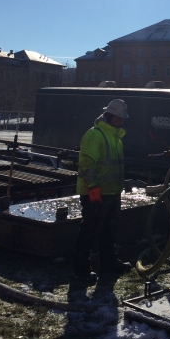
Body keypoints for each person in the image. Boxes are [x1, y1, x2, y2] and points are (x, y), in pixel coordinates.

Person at [73, 99, 131, 282]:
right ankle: (81, 269)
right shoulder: (95, 135)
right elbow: (86, 164)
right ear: (109, 116)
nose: (122, 122)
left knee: (109, 230)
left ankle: (109, 263)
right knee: (90, 230)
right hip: (96, 193)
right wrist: (92, 187)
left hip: (111, 192)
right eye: (119, 118)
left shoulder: (115, 137)